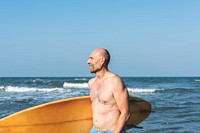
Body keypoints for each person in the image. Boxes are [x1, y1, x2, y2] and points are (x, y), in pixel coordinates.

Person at [87, 48, 130, 133]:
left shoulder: (115, 81)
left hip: (112, 131)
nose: (88, 62)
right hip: (94, 130)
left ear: (101, 60)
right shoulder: (91, 83)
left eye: (91, 58)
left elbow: (125, 113)